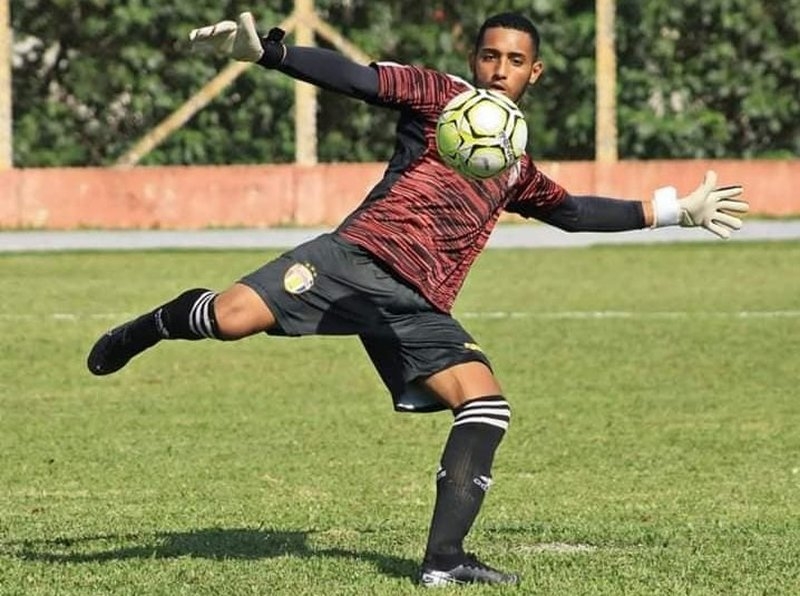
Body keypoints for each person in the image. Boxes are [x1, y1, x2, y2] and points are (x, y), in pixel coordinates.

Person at [87, 11, 748, 587]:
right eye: (490, 55)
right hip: (352, 260)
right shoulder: (439, 95)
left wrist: (672, 210)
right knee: (228, 320)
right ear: (474, 60)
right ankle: (149, 327)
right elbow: (357, 78)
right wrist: (270, 53)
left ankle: (445, 561)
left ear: (535, 74)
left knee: (486, 404)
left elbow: (572, 212)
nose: (499, 69)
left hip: (419, 304)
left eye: (515, 61)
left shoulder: (512, 162)